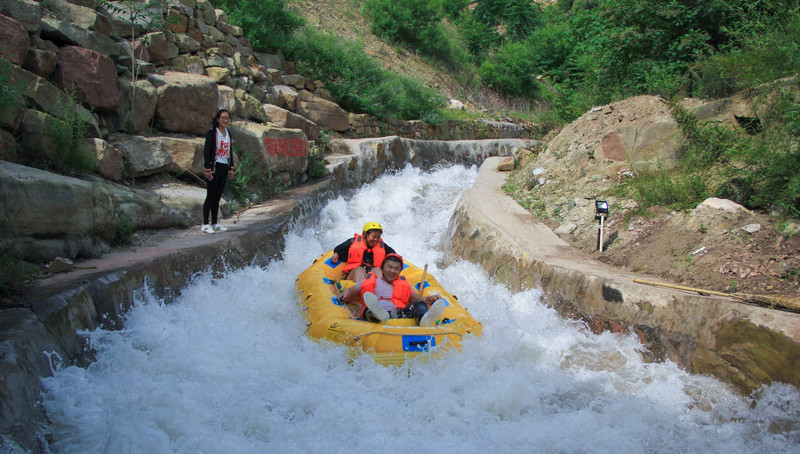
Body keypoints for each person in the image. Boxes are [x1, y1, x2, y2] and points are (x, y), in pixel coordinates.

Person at [337, 253, 446, 327]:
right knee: (369, 309)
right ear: (382, 268)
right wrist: (344, 294)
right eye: (389, 267)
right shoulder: (371, 281)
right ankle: (376, 313)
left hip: (398, 313)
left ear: (399, 271)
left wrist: (427, 299)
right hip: (377, 312)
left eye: (396, 268)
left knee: (419, 305)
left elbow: (417, 299)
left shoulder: (404, 284)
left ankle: (425, 318)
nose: (392, 271)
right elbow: (351, 291)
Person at [201, 109, 235, 234]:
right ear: (218, 119)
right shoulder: (212, 133)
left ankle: (214, 223)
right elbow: (207, 151)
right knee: (210, 195)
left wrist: (231, 167)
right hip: (214, 168)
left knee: (217, 197)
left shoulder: (228, 133)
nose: (226, 120)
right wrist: (207, 169)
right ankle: (205, 224)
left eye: (228, 118)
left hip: (223, 167)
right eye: (223, 118)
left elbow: (229, 152)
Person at [330, 222, 396, 282]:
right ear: (365, 235)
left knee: (378, 270)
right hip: (354, 275)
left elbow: (393, 254)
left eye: (378, 237)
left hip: (370, 276)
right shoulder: (353, 242)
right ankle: (359, 291)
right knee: (360, 270)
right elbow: (339, 248)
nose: (376, 240)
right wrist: (336, 254)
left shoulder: (382, 245)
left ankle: (381, 291)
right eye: (373, 237)